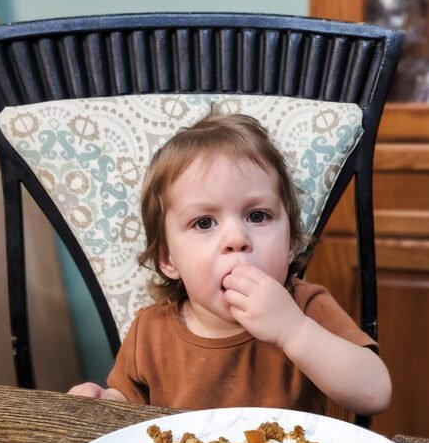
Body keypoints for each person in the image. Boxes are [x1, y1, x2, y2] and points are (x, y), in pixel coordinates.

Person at [68, 112, 391, 415]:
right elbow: (128, 406)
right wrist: (103, 404)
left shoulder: (305, 308)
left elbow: (375, 393)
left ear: (291, 242)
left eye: (257, 216)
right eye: (205, 222)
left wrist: (294, 332)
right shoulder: (149, 330)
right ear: (168, 259)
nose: (237, 238)